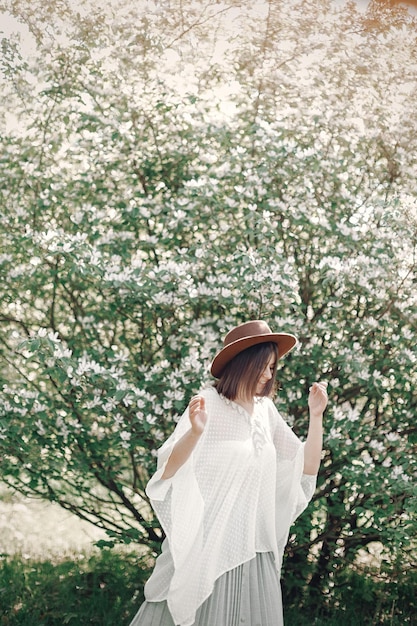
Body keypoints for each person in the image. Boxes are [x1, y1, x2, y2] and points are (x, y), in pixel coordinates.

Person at [129, 320, 328, 626]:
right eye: (262, 366)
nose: (267, 374)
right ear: (242, 364)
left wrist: (317, 417)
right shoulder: (209, 403)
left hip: (254, 546)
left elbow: (306, 468)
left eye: (272, 367)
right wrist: (194, 433)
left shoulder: (266, 412)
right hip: (209, 543)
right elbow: (169, 469)